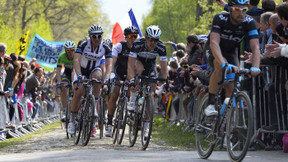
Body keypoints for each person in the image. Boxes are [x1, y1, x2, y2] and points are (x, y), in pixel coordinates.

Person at [204, 0, 261, 116]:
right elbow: (214, 42)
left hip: (231, 51)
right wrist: (223, 63)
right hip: (215, 48)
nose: (241, 13)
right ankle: (210, 104)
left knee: (232, 83)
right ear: (229, 9)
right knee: (220, 66)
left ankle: (229, 119)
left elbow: (255, 47)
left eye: (244, 10)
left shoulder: (249, 21)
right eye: (237, 10)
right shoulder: (220, 18)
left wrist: (256, 67)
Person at [68, 24, 113, 137]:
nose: (97, 39)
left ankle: (94, 106)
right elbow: (77, 60)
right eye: (94, 36)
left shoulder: (105, 46)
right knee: (78, 92)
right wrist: (79, 75)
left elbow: (109, 64)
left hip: (94, 69)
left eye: (99, 36)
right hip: (81, 69)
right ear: (90, 36)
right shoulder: (83, 43)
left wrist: (106, 78)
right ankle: (72, 121)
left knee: (97, 77)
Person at [126, 25, 168, 137]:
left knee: (151, 93)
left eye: (156, 40)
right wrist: (131, 80)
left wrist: (164, 81)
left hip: (150, 66)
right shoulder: (137, 44)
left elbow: (164, 68)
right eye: (151, 39)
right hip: (138, 63)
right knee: (139, 69)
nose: (153, 43)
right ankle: (133, 97)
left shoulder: (161, 47)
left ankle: (146, 126)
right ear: (146, 37)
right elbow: (130, 65)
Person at [104, 26, 139, 137]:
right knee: (114, 95)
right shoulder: (120, 46)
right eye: (130, 36)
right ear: (126, 37)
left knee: (132, 91)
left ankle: (131, 112)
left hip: (131, 74)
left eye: (135, 36)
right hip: (119, 73)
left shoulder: (138, 47)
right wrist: (111, 74)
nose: (133, 38)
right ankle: (109, 123)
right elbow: (112, 61)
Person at [56, 40, 75, 122]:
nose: (70, 52)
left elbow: (75, 70)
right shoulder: (61, 56)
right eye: (68, 50)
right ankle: (64, 111)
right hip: (66, 73)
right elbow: (58, 71)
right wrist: (60, 83)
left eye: (72, 50)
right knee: (64, 88)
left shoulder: (77, 56)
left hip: (75, 72)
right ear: (65, 50)